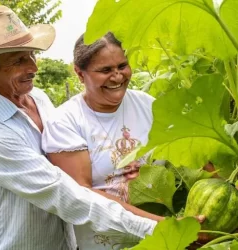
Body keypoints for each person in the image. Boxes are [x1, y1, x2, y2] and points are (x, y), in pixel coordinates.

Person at [0, 5, 174, 250]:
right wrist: (160, 229)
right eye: (18, 60)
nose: (33, 67)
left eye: (32, 55)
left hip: (63, 243)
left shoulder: (39, 99)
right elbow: (63, 191)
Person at [41, 32, 204, 249]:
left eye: (122, 66)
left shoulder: (147, 105)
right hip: (104, 243)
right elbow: (82, 194)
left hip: (162, 242)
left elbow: (189, 153)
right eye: (105, 70)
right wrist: (167, 227)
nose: (117, 77)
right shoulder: (65, 122)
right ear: (80, 74)